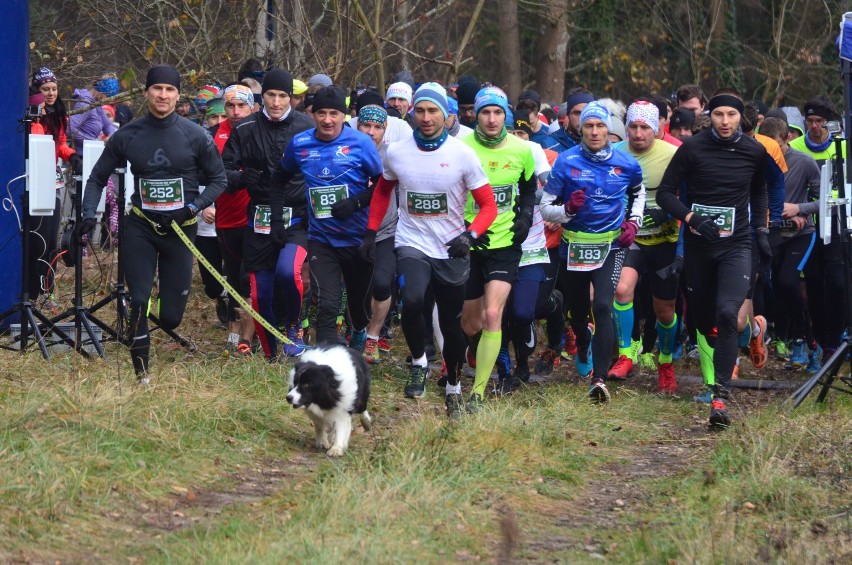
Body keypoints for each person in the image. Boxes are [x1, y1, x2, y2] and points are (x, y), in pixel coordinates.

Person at [77, 65, 228, 383]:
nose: (163, 95)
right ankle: (141, 376)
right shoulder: (128, 135)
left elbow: (218, 179)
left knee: (171, 317)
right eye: (157, 88)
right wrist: (89, 215)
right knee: (139, 300)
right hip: (141, 227)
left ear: (177, 95)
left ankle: (165, 303)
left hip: (179, 230)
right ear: (146, 93)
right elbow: (96, 177)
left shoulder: (195, 135)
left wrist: (193, 207)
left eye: (169, 89)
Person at [362, 81, 497, 419]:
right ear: (412, 112)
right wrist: (371, 231)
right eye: (420, 110)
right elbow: (382, 192)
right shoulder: (397, 151)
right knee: (415, 301)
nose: (425, 117)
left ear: (446, 114)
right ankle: (419, 361)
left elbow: (488, 206)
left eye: (432, 110)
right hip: (412, 242)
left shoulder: (463, 153)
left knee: (452, 327)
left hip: (451, 249)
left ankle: (452, 384)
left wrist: (471, 234)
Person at [656, 90, 768, 428]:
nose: (725, 121)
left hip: (736, 245)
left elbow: (760, 190)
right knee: (705, 325)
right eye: (719, 115)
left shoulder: (754, 151)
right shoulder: (692, 148)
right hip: (699, 247)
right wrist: (691, 218)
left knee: (726, 313)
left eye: (731, 116)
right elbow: (664, 194)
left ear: (740, 119)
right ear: (710, 115)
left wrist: (761, 232)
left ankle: (720, 398)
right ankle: (752, 330)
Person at [540, 101, 645, 403]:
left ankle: (599, 378)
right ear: (580, 129)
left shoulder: (626, 163)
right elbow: (546, 208)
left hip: (610, 244)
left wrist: (634, 223)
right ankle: (582, 340)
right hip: (574, 244)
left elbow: (638, 192)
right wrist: (568, 210)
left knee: (602, 305)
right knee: (577, 311)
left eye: (600, 126)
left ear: (608, 129)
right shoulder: (566, 162)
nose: (595, 132)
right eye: (589, 126)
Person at [272, 86, 383, 349]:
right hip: (322, 239)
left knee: (359, 307)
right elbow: (278, 179)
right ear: (312, 114)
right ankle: (326, 362)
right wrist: (277, 220)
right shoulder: (301, 144)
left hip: (357, 238)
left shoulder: (361, 143)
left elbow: (382, 185)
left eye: (334, 113)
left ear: (344, 116)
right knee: (328, 304)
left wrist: (355, 203)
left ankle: (357, 329)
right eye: (321, 113)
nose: (327, 120)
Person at [223, 70, 315, 359]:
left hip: (296, 216)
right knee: (260, 295)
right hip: (259, 218)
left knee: (289, 272)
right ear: (262, 97)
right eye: (271, 95)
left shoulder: (306, 126)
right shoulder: (245, 127)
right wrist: (243, 178)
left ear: (292, 98)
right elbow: (221, 172)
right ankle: (270, 353)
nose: (276, 102)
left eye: (282, 96)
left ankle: (293, 326)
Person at [460, 86, 537, 405]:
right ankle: (474, 346)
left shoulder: (521, 150)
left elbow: (529, 189)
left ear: (506, 115)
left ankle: (477, 393)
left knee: (494, 313)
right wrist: (465, 229)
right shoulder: (460, 148)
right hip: (466, 245)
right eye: (485, 113)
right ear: (475, 115)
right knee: (471, 322)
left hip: (505, 243)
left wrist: (526, 217)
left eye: (498, 113)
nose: (492, 119)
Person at [609, 101, 680, 393]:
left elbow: (687, 195)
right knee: (622, 290)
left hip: (665, 240)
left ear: (658, 129)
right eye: (633, 127)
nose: (638, 134)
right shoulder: (616, 153)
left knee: (664, 311)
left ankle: (665, 363)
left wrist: (669, 212)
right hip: (632, 238)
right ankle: (626, 356)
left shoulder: (673, 155)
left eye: (645, 128)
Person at [759, 116, 823, 371]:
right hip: (772, 234)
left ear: (787, 138)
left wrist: (799, 208)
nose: (769, 150)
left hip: (801, 235)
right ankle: (798, 338)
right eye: (764, 145)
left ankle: (808, 343)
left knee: (788, 280)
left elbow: (823, 200)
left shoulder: (805, 163)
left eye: (774, 144)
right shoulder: (758, 163)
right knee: (776, 287)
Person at [30, 67, 83, 309]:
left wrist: (72, 155)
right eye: (45, 90)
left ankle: (47, 291)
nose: (51, 94)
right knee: (35, 237)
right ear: (36, 92)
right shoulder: (32, 115)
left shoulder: (60, 114)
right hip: (33, 181)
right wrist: (37, 115)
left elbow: (59, 144)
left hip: (54, 181)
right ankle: (30, 289)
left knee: (52, 238)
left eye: (53, 89)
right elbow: (37, 141)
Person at [210, 83, 255, 355]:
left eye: (242, 106)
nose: (236, 112)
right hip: (225, 217)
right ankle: (235, 332)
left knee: (249, 278)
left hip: (254, 217)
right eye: (231, 106)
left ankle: (247, 339)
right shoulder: (214, 135)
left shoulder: (260, 130)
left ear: (252, 107)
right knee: (234, 279)